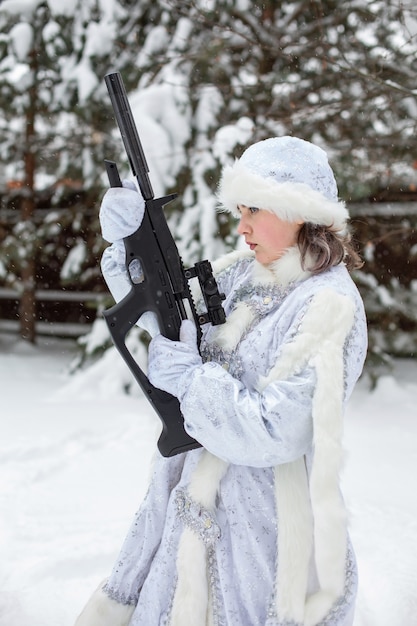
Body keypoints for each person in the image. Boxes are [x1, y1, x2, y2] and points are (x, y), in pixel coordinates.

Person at [74, 136, 367, 626]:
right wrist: (130, 243)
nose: (242, 225)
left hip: (266, 536)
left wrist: (192, 381)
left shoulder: (329, 307)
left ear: (298, 209)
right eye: (238, 209)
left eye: (254, 209)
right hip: (193, 509)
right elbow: (168, 312)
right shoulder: (245, 274)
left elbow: (279, 431)